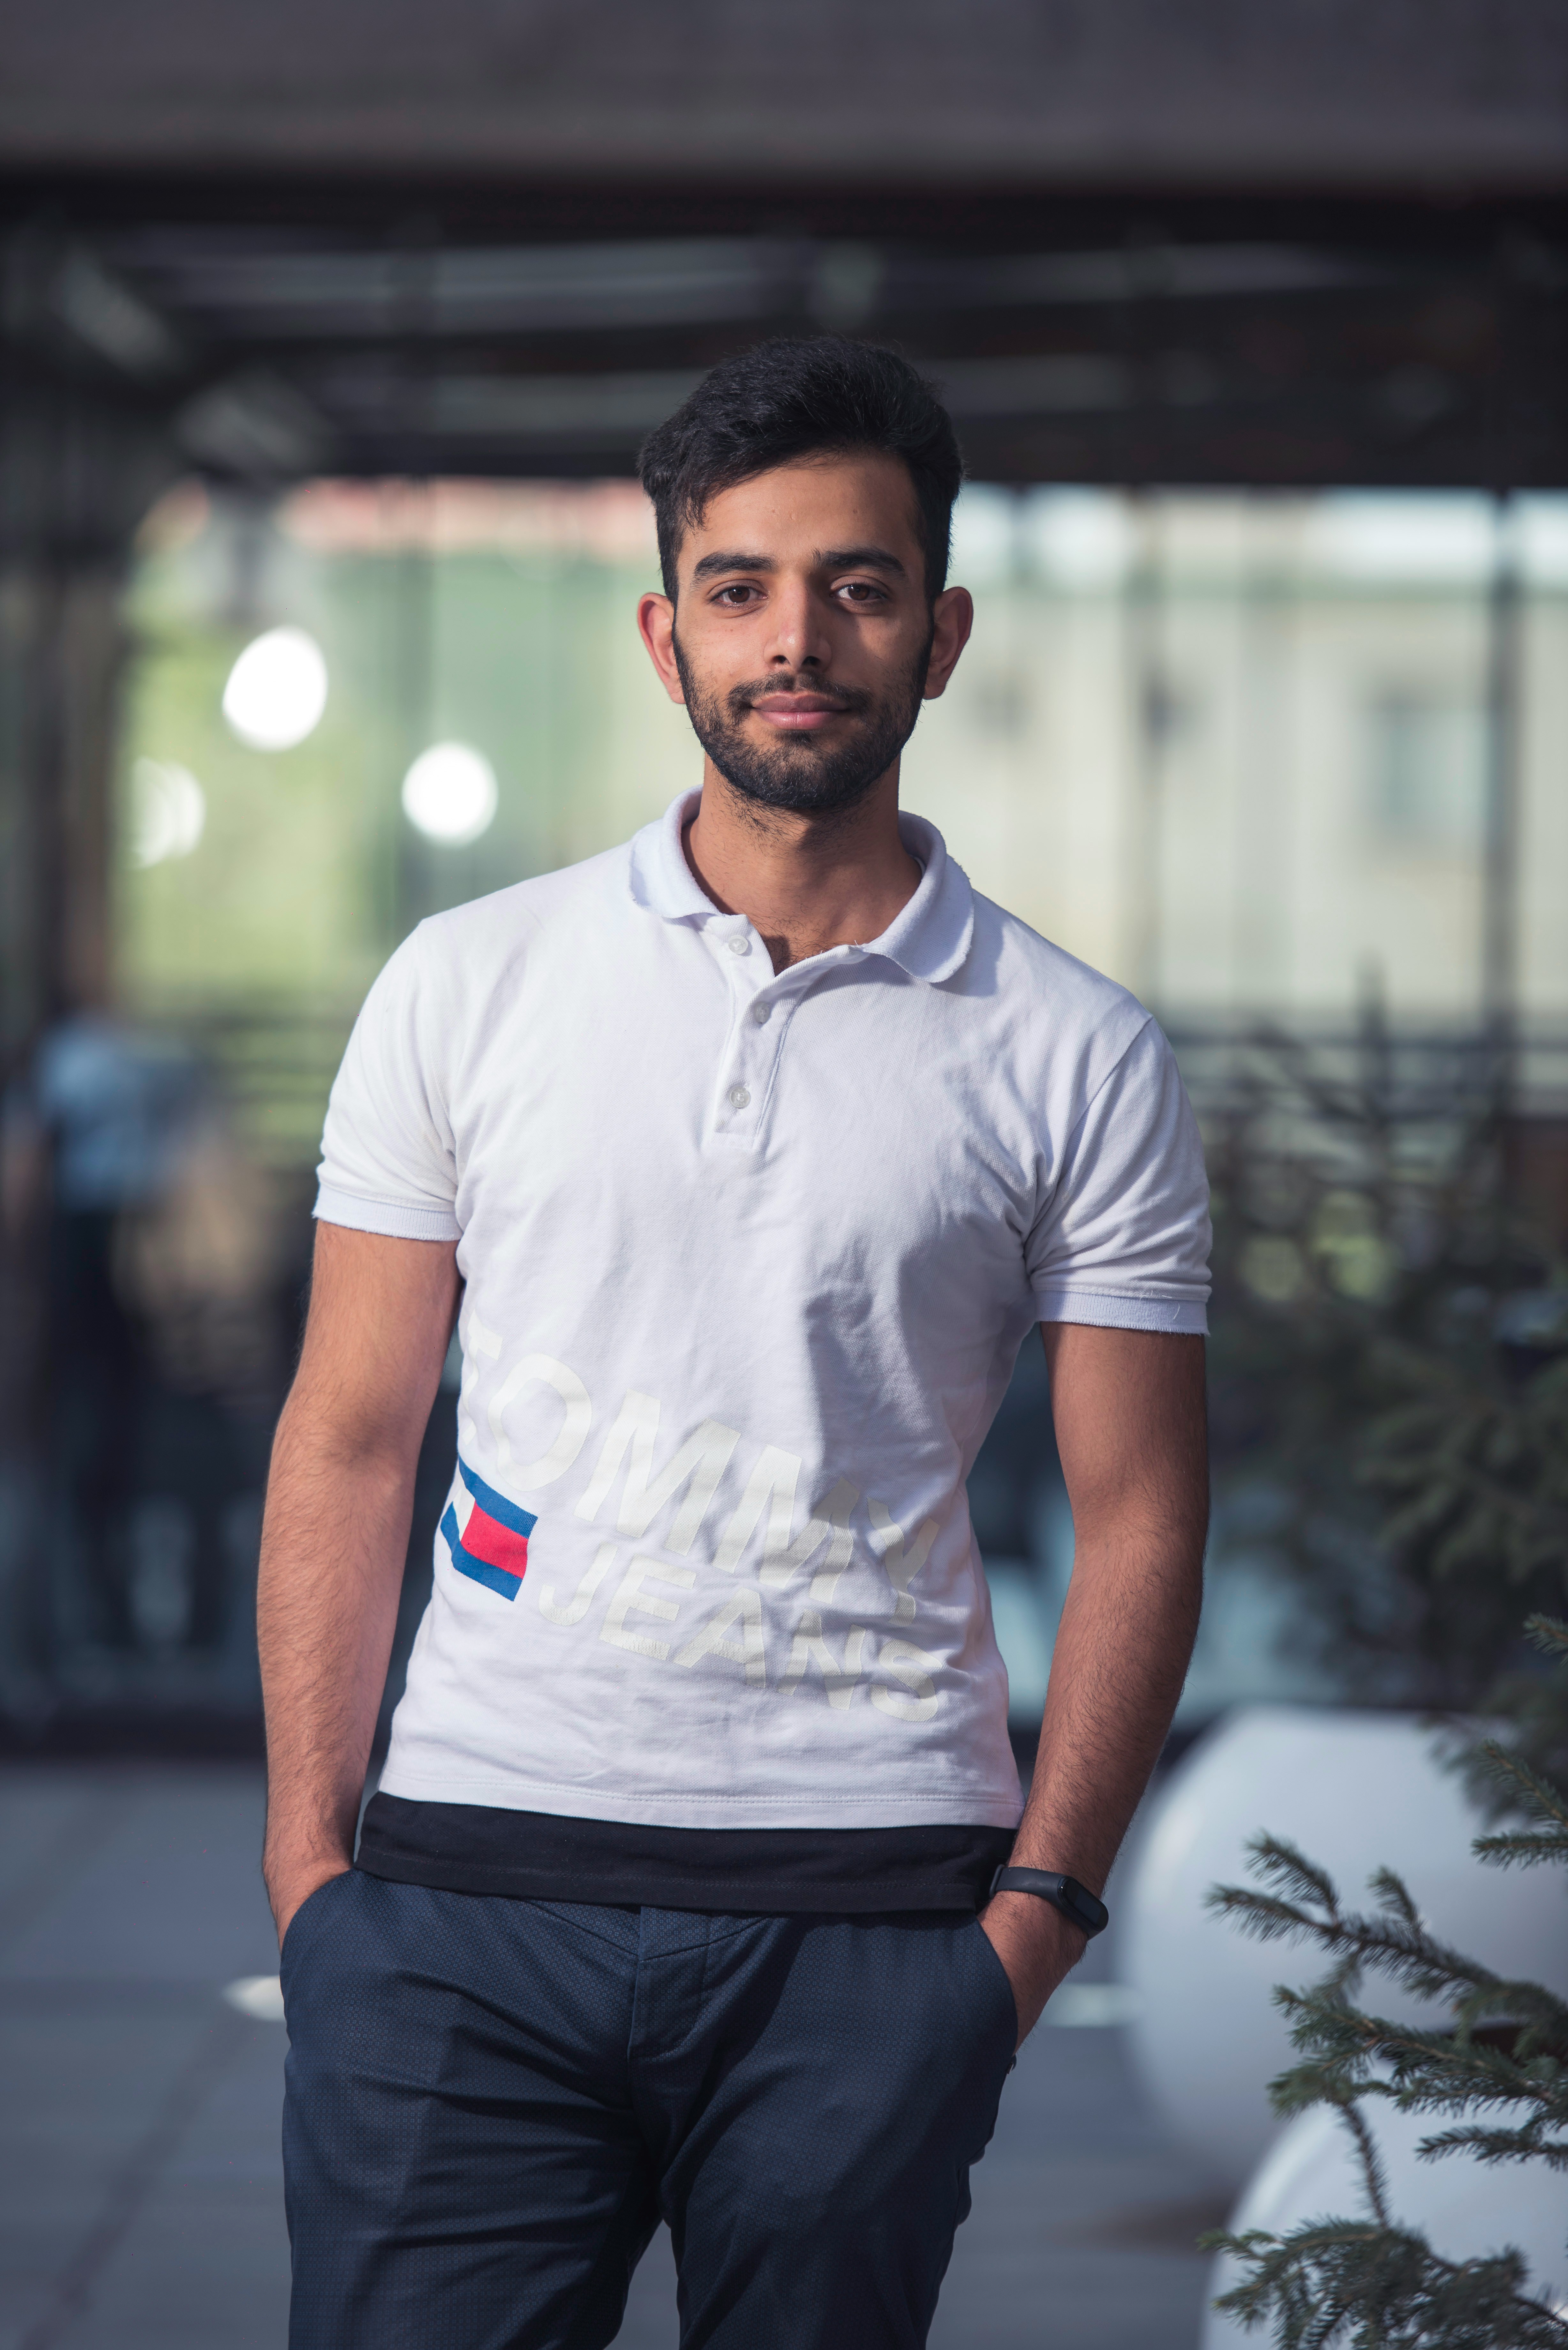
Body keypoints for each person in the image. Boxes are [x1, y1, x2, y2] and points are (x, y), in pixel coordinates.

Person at [260, 337, 1211, 2350]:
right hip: (462, 1904)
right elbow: (351, 1433)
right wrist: (311, 1879)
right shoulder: (467, 983)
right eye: (741, 586)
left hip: (873, 1915)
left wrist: (1034, 1925)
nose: (797, 639)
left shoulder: (1079, 1053)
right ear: (664, 631)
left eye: (858, 586)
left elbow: (1141, 1510)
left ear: (941, 633)